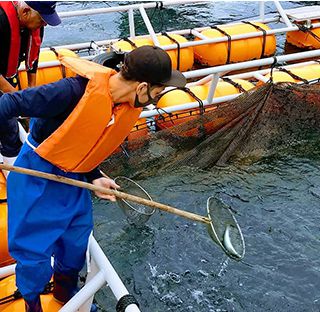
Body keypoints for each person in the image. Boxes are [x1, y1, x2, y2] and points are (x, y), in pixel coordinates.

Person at [0, 45, 186, 311]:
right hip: (37, 179)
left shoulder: (119, 103)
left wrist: (95, 175)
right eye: (157, 93)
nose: (157, 99)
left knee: (76, 244)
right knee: (33, 253)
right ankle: (32, 305)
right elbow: (9, 104)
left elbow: (84, 141)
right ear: (142, 87)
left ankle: (66, 298)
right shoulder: (70, 91)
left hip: (74, 181)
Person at [0, 1, 61, 175]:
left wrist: (31, 93)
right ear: (26, 12)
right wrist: (20, 101)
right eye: (42, 21)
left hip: (5, 73)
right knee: (8, 126)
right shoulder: (1, 21)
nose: (44, 24)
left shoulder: (35, 20)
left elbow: (33, 56)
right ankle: (13, 177)